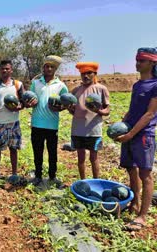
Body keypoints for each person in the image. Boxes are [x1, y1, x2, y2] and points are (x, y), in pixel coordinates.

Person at [116, 47, 157, 231]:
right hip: (130, 133)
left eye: (142, 61)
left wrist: (131, 134)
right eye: (137, 60)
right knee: (131, 169)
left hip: (143, 136)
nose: (137, 63)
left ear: (152, 63)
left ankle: (142, 216)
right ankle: (135, 203)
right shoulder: (136, 85)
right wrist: (122, 123)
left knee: (145, 174)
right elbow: (133, 110)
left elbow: (149, 114)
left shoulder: (155, 85)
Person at [25, 55, 68, 187]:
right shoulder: (36, 83)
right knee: (37, 151)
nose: (48, 69)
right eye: (46, 66)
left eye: (52, 67)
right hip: (37, 123)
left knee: (52, 152)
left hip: (52, 125)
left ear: (55, 69)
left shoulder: (61, 85)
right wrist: (29, 103)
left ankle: (52, 176)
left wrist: (60, 108)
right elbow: (28, 100)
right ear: (43, 68)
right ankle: (38, 176)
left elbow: (66, 103)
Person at [68, 62, 110, 179]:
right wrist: (69, 109)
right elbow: (72, 110)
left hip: (94, 130)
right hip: (78, 129)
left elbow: (107, 110)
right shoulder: (76, 90)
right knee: (81, 157)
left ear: (95, 74)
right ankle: (83, 182)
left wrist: (99, 111)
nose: (85, 76)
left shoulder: (101, 89)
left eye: (89, 73)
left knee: (93, 158)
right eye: (83, 74)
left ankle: (96, 181)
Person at [0, 59, 24, 179]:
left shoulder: (18, 85)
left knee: (13, 148)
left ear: (11, 70)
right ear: (0, 70)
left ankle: (14, 173)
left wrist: (17, 107)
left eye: (7, 68)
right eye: (3, 68)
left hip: (13, 121)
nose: (5, 70)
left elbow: (23, 103)